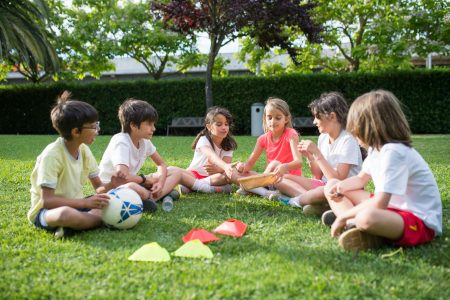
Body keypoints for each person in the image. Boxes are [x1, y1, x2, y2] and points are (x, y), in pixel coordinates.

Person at [324, 90, 442, 251]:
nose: (352, 133)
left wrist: (344, 216)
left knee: (367, 217)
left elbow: (380, 202)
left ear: (368, 127)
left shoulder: (394, 152)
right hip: (392, 209)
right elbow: (360, 179)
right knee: (331, 183)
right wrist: (339, 188)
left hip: (418, 220)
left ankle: (353, 220)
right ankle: (353, 225)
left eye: (354, 127)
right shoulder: (375, 150)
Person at [28, 91, 125, 239]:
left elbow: (98, 187)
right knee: (65, 214)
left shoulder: (84, 150)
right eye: (93, 126)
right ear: (75, 132)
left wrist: (111, 185)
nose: (98, 130)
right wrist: (85, 202)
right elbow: (47, 200)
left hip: (78, 205)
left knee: (109, 201)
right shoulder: (52, 155)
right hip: (47, 212)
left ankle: (76, 227)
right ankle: (103, 221)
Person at [275, 93, 362, 215]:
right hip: (323, 185)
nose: (314, 121)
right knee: (281, 179)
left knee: (323, 190)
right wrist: (310, 156)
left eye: (317, 117)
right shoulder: (323, 137)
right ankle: (314, 201)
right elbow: (318, 175)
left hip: (343, 188)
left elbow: (338, 179)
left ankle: (301, 201)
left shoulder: (348, 140)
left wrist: (317, 154)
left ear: (332, 116)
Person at [98, 99, 182, 211]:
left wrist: (160, 184)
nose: (154, 128)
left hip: (133, 182)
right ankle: (154, 197)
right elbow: (122, 178)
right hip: (112, 189)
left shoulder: (144, 141)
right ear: (133, 125)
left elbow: (161, 164)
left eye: (153, 124)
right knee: (133, 187)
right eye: (149, 124)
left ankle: (152, 195)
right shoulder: (121, 142)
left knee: (175, 172)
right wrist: (145, 179)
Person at [236, 97, 302, 198]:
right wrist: (241, 167)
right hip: (270, 179)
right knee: (239, 173)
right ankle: (265, 191)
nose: (273, 121)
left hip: (288, 179)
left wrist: (284, 167)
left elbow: (299, 162)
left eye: (278, 118)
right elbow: (249, 165)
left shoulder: (291, 134)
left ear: (286, 119)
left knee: (274, 163)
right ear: (265, 119)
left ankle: (253, 188)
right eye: (269, 117)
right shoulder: (262, 139)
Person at [169, 106, 238, 194]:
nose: (224, 127)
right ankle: (208, 188)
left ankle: (194, 186)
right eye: (219, 124)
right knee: (170, 169)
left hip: (213, 177)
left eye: (226, 124)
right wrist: (224, 166)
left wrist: (220, 169)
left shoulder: (229, 144)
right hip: (193, 174)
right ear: (209, 127)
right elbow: (211, 155)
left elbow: (226, 167)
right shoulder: (203, 140)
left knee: (226, 177)